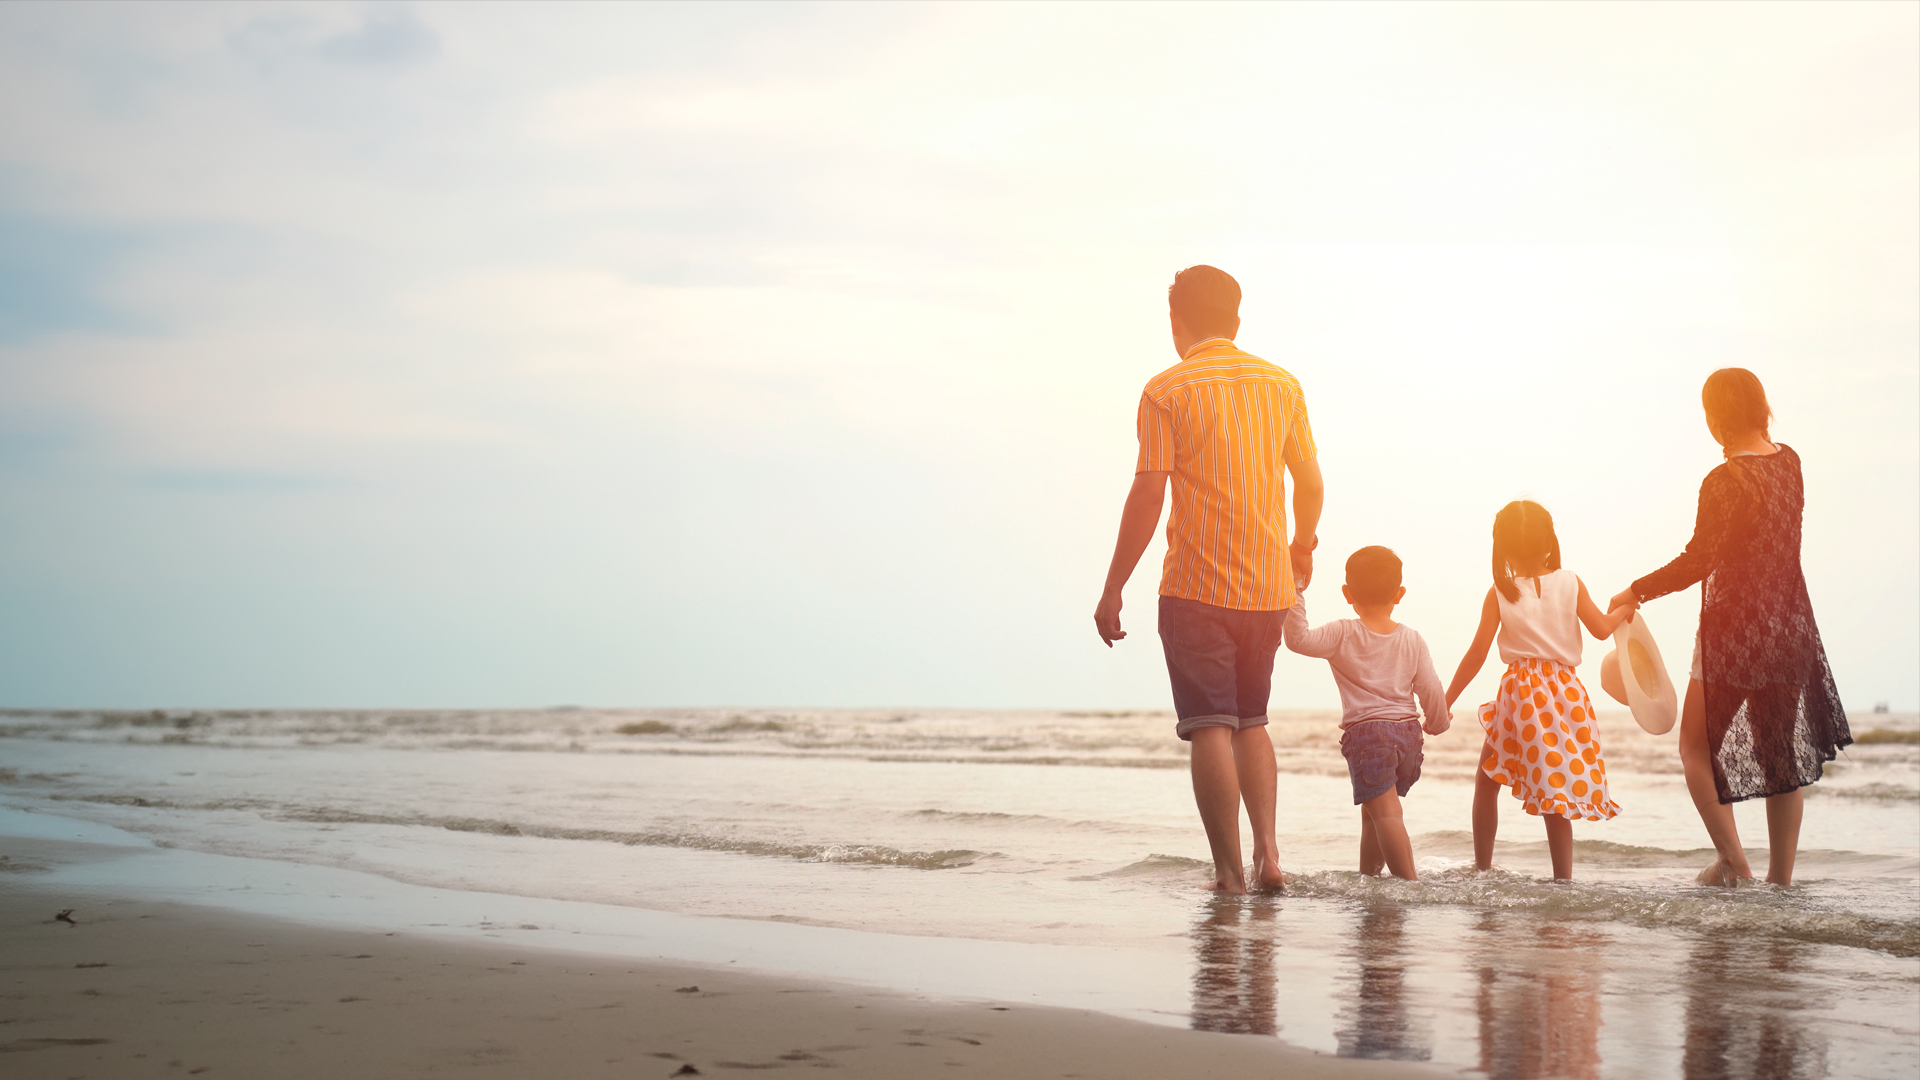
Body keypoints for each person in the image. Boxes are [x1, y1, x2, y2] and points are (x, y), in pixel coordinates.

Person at [1093, 265, 1323, 894]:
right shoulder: (1282, 385)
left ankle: (1229, 875)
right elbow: (1309, 481)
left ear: (1177, 321)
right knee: (1253, 721)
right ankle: (1269, 856)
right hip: (1266, 587)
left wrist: (1114, 585)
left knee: (1210, 727)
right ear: (1237, 321)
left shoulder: (1166, 389)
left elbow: (1148, 494)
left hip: (1195, 588)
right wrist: (1301, 548)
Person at [1609, 368, 1849, 887]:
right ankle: (1779, 882)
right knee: (1780, 759)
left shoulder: (1724, 481)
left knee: (1693, 747)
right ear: (1760, 406)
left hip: (1735, 631)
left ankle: (1733, 864)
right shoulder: (1791, 463)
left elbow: (1699, 559)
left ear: (1716, 418)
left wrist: (1635, 590)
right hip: (1788, 627)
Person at [1445, 501, 1635, 880]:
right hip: (1566, 693)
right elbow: (1600, 629)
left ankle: (1482, 868)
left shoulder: (1500, 592)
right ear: (1549, 542)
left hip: (1521, 695)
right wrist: (1624, 611)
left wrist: (1444, 701)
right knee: (1555, 789)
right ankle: (1562, 879)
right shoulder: (1570, 582)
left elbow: (1477, 654)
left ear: (1503, 550)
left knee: (1487, 779)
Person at [1282, 546, 1450, 880]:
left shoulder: (1342, 632)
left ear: (1347, 594)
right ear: (1399, 594)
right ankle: (1368, 880)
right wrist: (1439, 721)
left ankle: (1410, 886)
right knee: (1374, 813)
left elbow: (1297, 639)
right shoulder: (1412, 639)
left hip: (1369, 737)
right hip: (1409, 738)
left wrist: (1295, 588)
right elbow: (1430, 686)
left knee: (1386, 814)